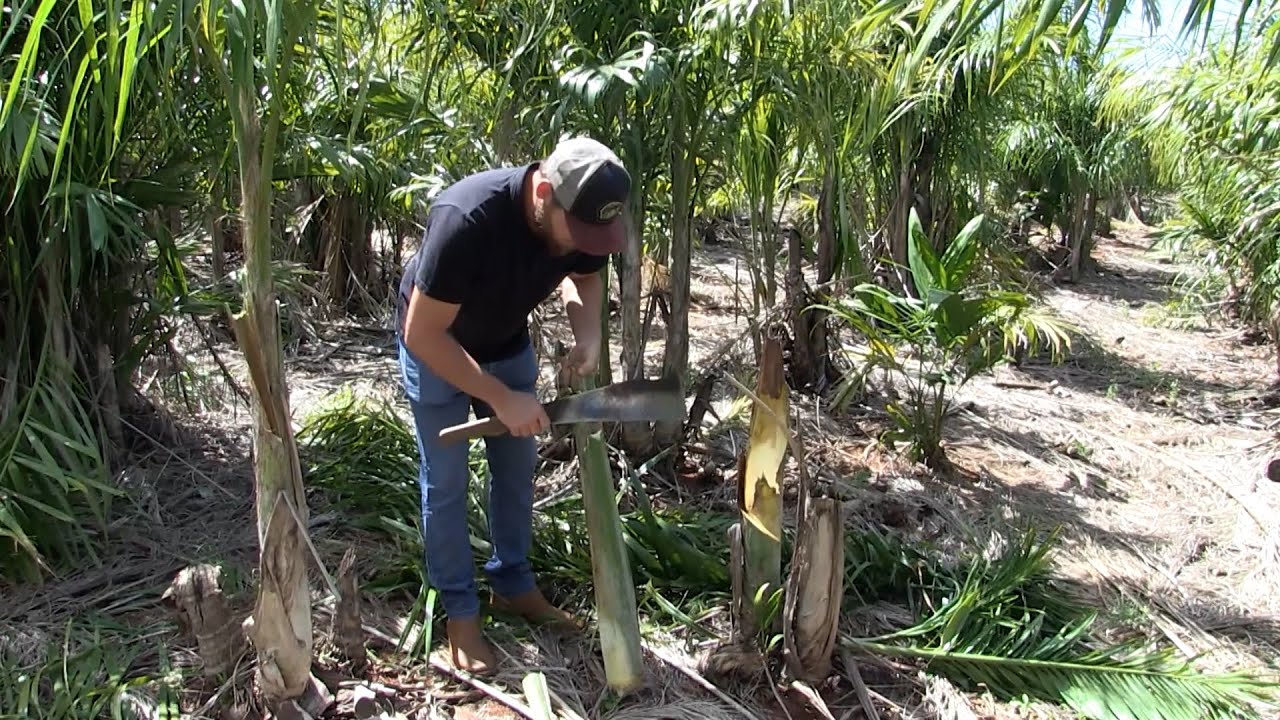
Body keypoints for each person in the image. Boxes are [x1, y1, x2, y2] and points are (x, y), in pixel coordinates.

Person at [395, 136, 630, 675]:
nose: (583, 244)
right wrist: (500, 398)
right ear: (544, 193)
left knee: (517, 468)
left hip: (505, 343)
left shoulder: (584, 213)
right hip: (437, 347)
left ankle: (513, 583)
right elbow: (422, 333)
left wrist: (589, 336)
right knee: (446, 482)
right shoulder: (466, 219)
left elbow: (585, 278)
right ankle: (460, 612)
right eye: (578, 232)